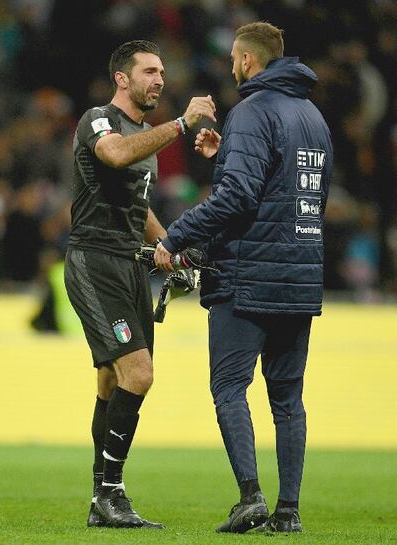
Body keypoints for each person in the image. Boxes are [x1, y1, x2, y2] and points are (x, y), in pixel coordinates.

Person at [154, 22, 333, 534]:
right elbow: (297, 195)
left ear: (248, 61)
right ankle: (289, 512)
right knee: (288, 398)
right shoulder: (313, 117)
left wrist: (175, 237)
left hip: (248, 276)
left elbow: (238, 199)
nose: (232, 67)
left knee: (230, 387)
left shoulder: (252, 111)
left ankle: (251, 497)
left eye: (234, 59)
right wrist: (225, 155)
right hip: (299, 276)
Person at [64, 40, 216, 529]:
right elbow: (111, 155)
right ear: (122, 78)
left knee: (112, 381)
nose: (160, 79)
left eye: (163, 71)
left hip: (132, 265)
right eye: (150, 71)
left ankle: (99, 501)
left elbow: (138, 209)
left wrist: (170, 246)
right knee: (140, 374)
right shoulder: (99, 120)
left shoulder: (145, 134)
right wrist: (181, 125)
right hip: (95, 260)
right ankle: (111, 493)